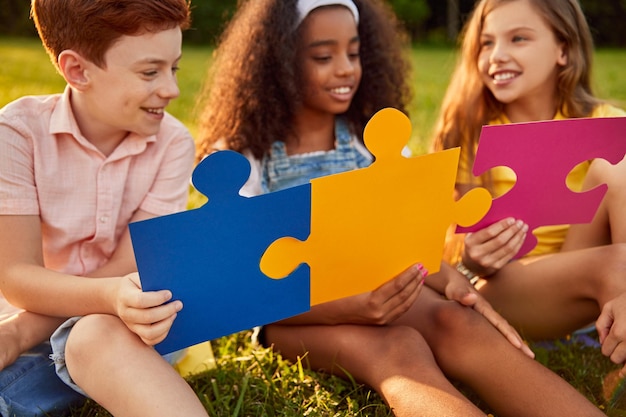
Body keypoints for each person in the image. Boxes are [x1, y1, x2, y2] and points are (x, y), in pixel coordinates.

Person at [195, 0, 606, 415]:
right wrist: (349, 308)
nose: (345, 69)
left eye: (353, 53)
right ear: (279, 62)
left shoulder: (370, 142)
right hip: (293, 317)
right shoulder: (245, 157)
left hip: (381, 290)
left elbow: (409, 235)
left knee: (458, 322)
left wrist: (451, 282)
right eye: (323, 56)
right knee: (397, 351)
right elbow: (247, 285)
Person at [0, 0, 209, 416]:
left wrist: (23, 332)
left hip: (125, 320)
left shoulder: (172, 144)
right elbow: (15, 277)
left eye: (174, 68)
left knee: (94, 334)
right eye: (150, 72)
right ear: (78, 70)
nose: (171, 89)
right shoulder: (18, 134)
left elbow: (127, 272)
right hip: (27, 315)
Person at [431, 0, 626, 348]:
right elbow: (450, 246)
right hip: (508, 285)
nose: (496, 55)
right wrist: (473, 259)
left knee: (617, 167)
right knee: (619, 265)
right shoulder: (469, 132)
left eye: (518, 38)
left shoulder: (604, 122)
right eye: (487, 42)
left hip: (584, 269)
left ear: (563, 50)